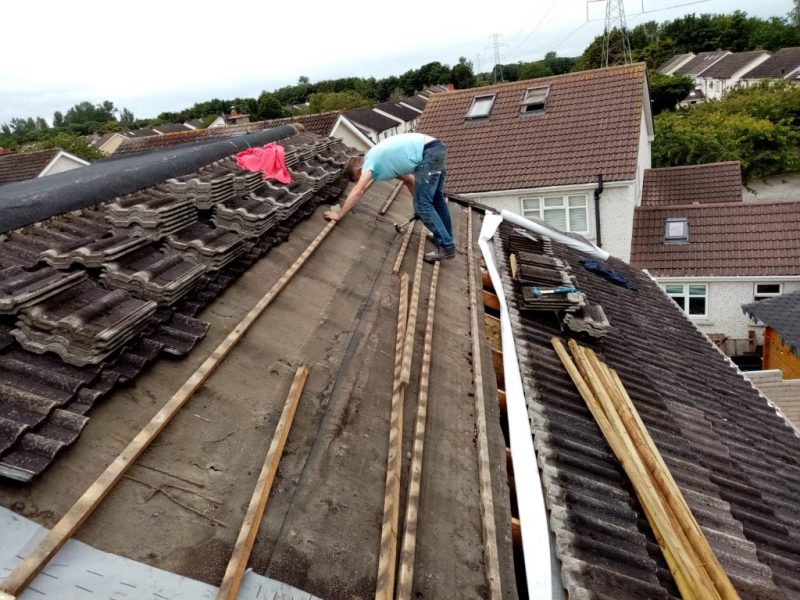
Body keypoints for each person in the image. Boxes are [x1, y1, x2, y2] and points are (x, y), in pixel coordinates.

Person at [323, 132, 455, 263]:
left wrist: (339, 215)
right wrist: (421, 205)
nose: (360, 180)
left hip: (429, 153)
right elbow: (409, 180)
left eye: (357, 179)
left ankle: (446, 246)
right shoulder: (383, 162)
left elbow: (359, 190)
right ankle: (445, 237)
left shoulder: (370, 162)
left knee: (423, 205)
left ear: (358, 171)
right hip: (436, 148)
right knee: (436, 200)